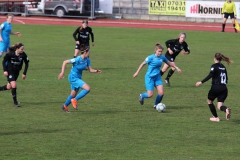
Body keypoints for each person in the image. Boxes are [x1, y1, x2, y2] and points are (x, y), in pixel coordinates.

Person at [133, 43, 182, 108]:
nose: (160, 53)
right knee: (150, 95)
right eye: (159, 51)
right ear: (155, 50)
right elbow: (142, 64)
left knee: (161, 93)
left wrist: (177, 68)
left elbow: (170, 63)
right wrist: (137, 72)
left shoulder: (162, 57)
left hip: (157, 77)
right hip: (149, 78)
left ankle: (156, 105)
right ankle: (142, 96)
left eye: (161, 51)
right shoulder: (150, 57)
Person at [58, 44, 101, 113]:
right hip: (73, 77)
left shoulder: (87, 60)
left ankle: (64, 106)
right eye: (88, 52)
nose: (89, 53)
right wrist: (62, 72)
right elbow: (65, 62)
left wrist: (96, 71)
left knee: (73, 94)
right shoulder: (77, 59)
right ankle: (75, 100)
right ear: (85, 52)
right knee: (87, 88)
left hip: (78, 78)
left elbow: (90, 70)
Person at [195, 53, 232, 122]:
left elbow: (210, 75)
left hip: (216, 87)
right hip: (224, 88)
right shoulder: (223, 66)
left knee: (209, 101)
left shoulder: (214, 66)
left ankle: (216, 117)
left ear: (215, 58)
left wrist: (201, 82)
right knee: (219, 106)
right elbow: (226, 78)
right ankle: (226, 109)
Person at [0, 42, 29, 107]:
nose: (23, 50)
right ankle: (15, 102)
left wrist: (24, 73)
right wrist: (5, 70)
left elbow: (27, 63)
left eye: (23, 49)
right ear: (17, 49)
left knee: (9, 87)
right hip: (10, 71)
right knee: (14, 85)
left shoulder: (23, 55)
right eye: (21, 49)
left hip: (16, 72)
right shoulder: (10, 54)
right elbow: (4, 61)